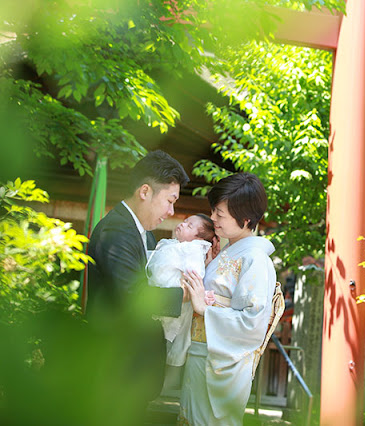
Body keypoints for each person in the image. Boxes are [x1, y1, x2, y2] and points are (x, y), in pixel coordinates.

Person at [86, 150, 189, 420]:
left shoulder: (147, 237)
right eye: (170, 200)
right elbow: (132, 296)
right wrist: (186, 295)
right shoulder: (116, 231)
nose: (171, 211)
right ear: (145, 191)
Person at [179, 172, 284, 426]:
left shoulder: (256, 260)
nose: (212, 218)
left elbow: (253, 323)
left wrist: (207, 310)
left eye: (220, 214)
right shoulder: (227, 251)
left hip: (219, 361)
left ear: (246, 219)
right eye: (213, 211)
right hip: (202, 353)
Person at [145, 214, 219, 365]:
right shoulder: (173, 244)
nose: (183, 225)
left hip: (172, 297)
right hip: (159, 294)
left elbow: (195, 273)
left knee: (165, 341)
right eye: (185, 222)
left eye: (189, 226)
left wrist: (193, 283)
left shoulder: (193, 249)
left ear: (198, 239)